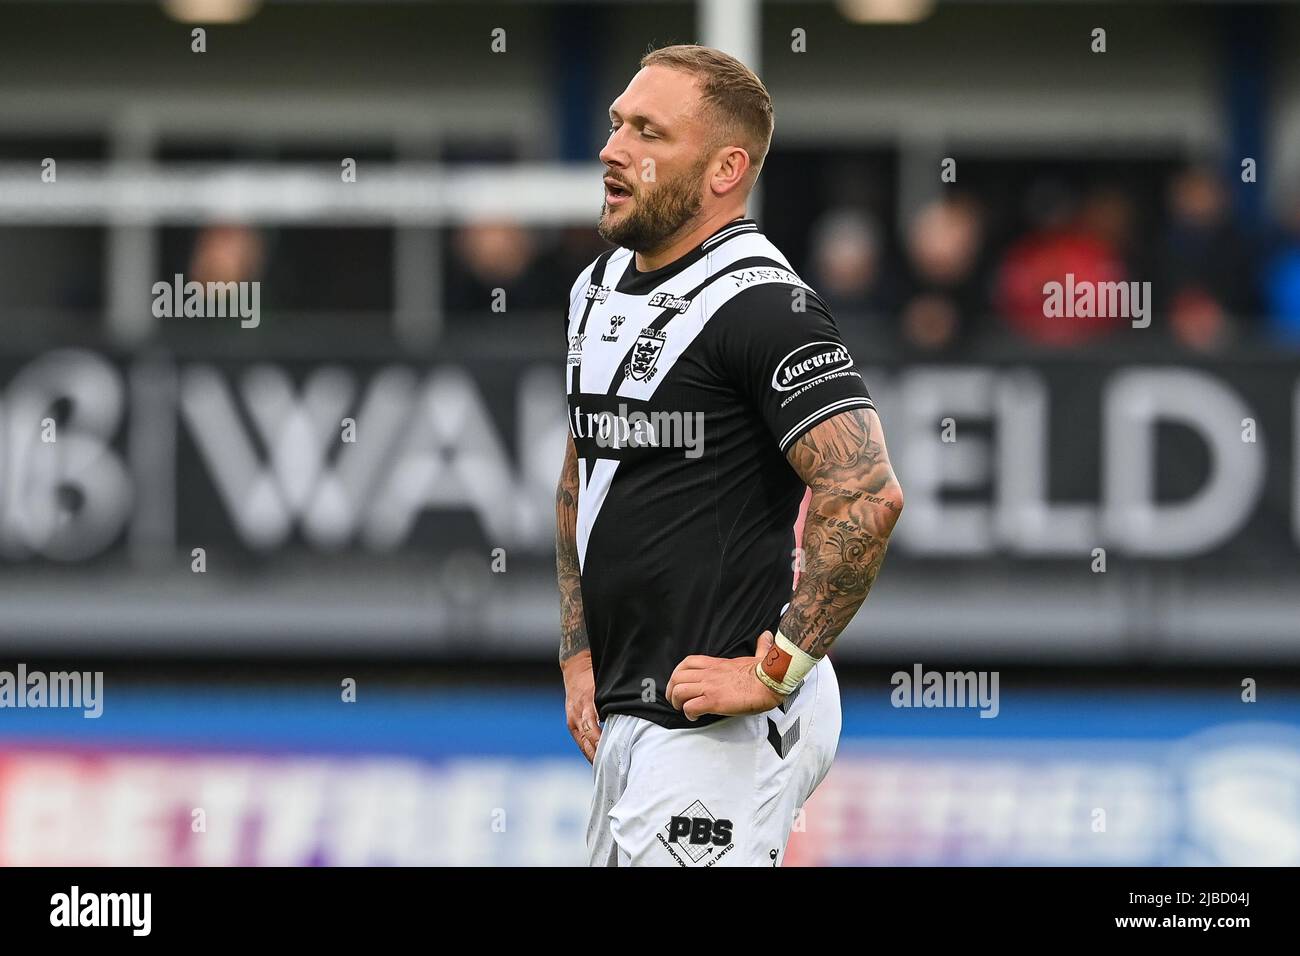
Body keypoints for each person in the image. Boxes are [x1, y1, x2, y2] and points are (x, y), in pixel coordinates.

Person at [556, 44, 904, 867]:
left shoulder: (763, 305)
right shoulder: (596, 286)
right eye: (615, 124)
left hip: (723, 727)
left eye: (649, 132)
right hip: (632, 705)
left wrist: (777, 671)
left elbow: (866, 492)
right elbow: (583, 474)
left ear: (725, 170)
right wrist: (578, 650)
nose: (613, 149)